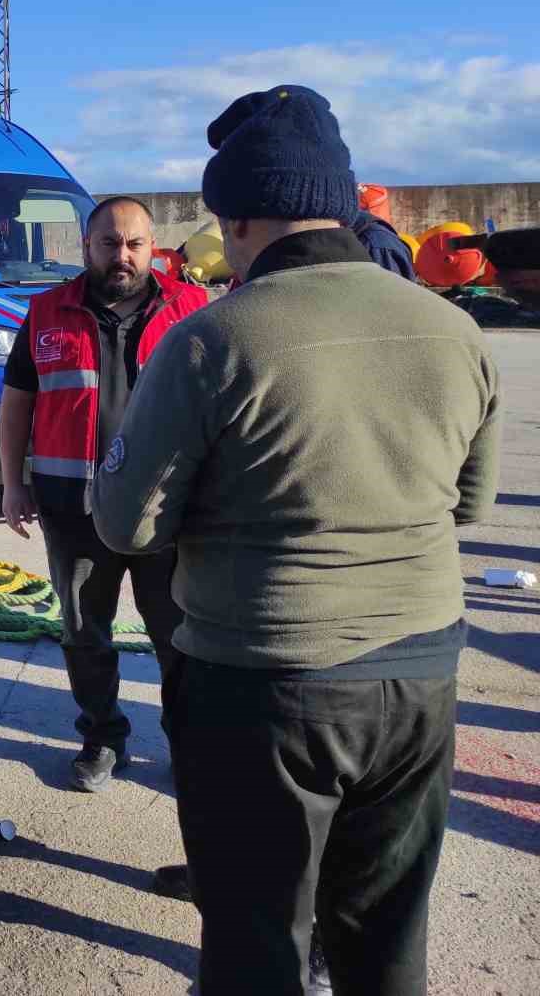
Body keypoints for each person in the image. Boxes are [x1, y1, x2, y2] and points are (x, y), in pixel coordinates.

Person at [93, 85, 501, 996]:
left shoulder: (211, 339)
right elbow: (469, 504)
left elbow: (126, 522)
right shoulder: (455, 329)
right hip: (422, 672)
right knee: (388, 930)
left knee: (257, 936)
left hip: (264, 679)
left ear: (236, 219)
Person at [0, 196, 208, 791]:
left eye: (135, 243)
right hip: (74, 510)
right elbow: (17, 404)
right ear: (86, 247)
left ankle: (188, 741)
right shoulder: (45, 312)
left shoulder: (191, 310)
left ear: (153, 248)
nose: (122, 256)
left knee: (179, 634)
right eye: (109, 243)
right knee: (86, 631)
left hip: (166, 511)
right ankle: (102, 737)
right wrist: (14, 485)